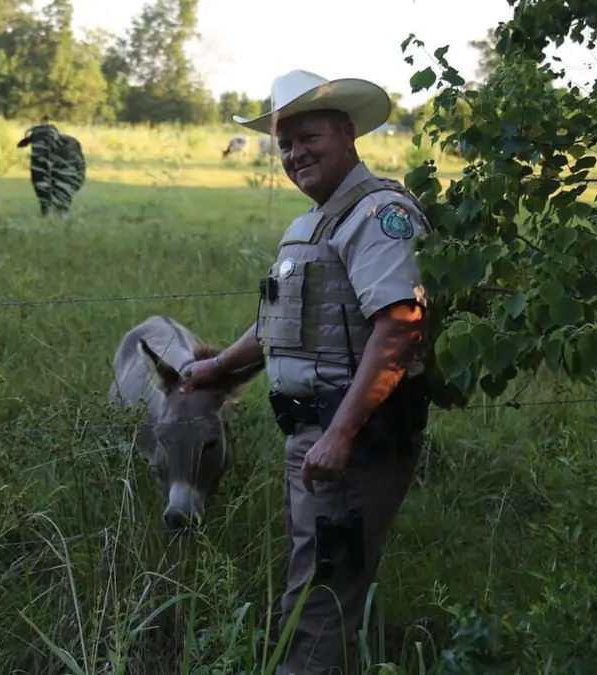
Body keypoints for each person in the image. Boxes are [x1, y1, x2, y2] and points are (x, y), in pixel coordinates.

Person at [179, 69, 434, 674]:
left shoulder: (379, 216)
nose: (295, 154)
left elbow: (401, 324)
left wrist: (340, 435)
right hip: (313, 436)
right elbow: (279, 327)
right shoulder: (313, 224)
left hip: (352, 438)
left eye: (308, 137)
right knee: (315, 579)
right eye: (284, 144)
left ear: (346, 133)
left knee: (322, 592)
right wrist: (211, 367)